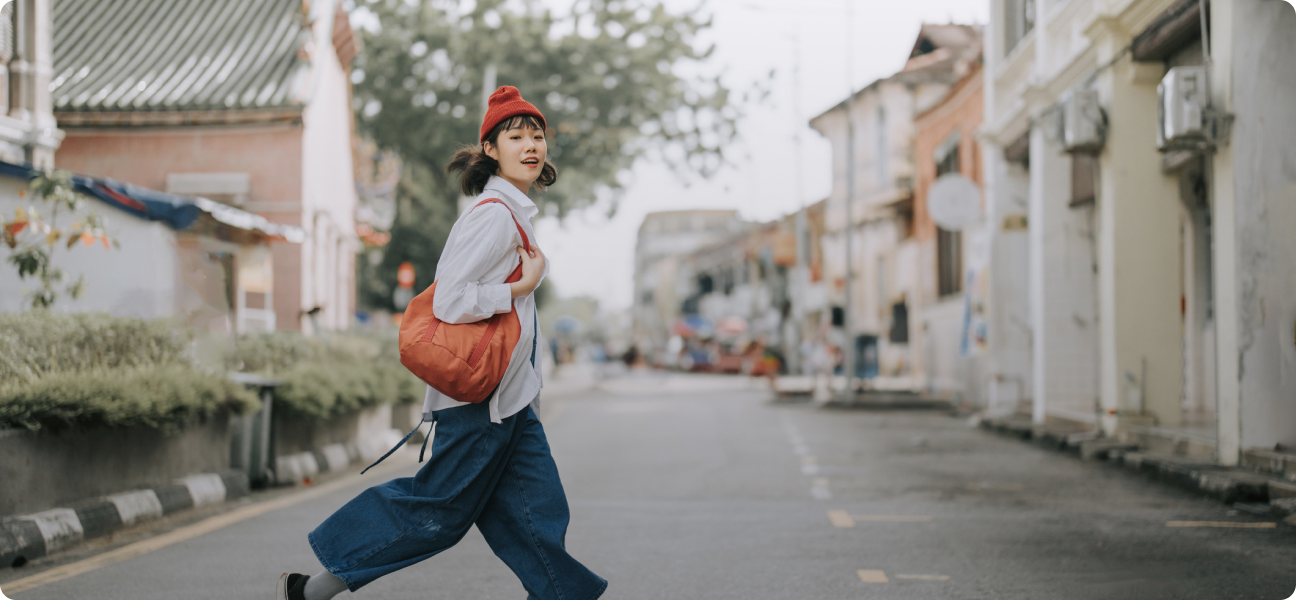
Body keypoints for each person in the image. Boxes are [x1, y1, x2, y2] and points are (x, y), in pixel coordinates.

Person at [275, 86, 607, 600]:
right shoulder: (494, 215)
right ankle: (309, 592)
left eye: (537, 135)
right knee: (436, 510)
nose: (531, 144)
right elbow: (452, 301)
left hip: (513, 406)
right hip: (479, 407)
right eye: (515, 136)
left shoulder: (515, 214)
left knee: (537, 518)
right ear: (491, 150)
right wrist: (520, 286)